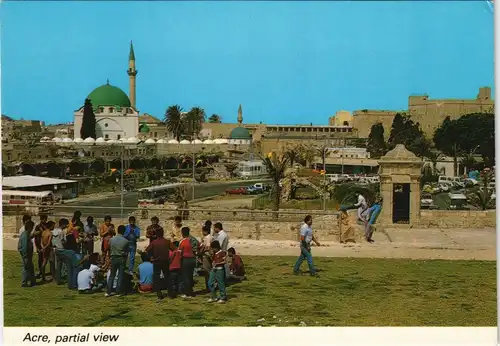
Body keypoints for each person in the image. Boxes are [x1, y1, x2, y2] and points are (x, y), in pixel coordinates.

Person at [142, 227, 175, 300]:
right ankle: (170, 293)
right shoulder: (167, 241)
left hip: (156, 262)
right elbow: (174, 249)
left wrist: (151, 257)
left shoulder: (154, 242)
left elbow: (146, 251)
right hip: (165, 261)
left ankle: (159, 294)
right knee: (167, 277)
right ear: (163, 233)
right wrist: (171, 258)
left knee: (156, 278)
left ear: (156, 234)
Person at [106, 225, 130, 297]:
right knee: (120, 275)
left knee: (112, 275)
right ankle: (118, 291)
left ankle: (108, 291)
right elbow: (127, 252)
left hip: (113, 257)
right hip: (121, 258)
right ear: (124, 231)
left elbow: (109, 248)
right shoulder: (126, 241)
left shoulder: (112, 239)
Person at [178, 227, 196, 298]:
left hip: (186, 259)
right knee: (190, 275)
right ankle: (190, 290)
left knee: (185, 277)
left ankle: (187, 293)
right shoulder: (192, 241)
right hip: (192, 259)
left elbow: (180, 253)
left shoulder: (182, 242)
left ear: (182, 233)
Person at [18, 220, 36, 287]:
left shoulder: (26, 234)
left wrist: (32, 236)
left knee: (30, 268)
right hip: (26, 255)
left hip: (28, 255)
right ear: (29, 227)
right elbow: (24, 246)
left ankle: (32, 282)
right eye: (32, 227)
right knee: (26, 268)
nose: (32, 229)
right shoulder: (25, 235)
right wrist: (25, 255)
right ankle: (24, 282)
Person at [52, 218, 69, 285]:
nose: (66, 226)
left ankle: (57, 278)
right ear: (63, 224)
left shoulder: (54, 231)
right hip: (61, 249)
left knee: (57, 264)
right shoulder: (61, 232)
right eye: (66, 225)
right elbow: (63, 241)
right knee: (61, 264)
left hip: (55, 248)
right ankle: (60, 279)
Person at [33, 214, 49, 279]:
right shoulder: (38, 226)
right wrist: (37, 246)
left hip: (45, 244)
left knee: (45, 259)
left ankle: (43, 273)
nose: (45, 220)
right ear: (41, 219)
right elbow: (35, 237)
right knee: (40, 260)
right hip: (39, 245)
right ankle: (41, 272)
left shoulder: (47, 226)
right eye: (44, 219)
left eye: (46, 219)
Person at [199, 225, 213, 291]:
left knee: (207, 272)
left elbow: (207, 247)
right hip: (207, 256)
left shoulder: (208, 238)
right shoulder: (209, 237)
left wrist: (200, 252)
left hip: (206, 256)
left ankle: (209, 286)